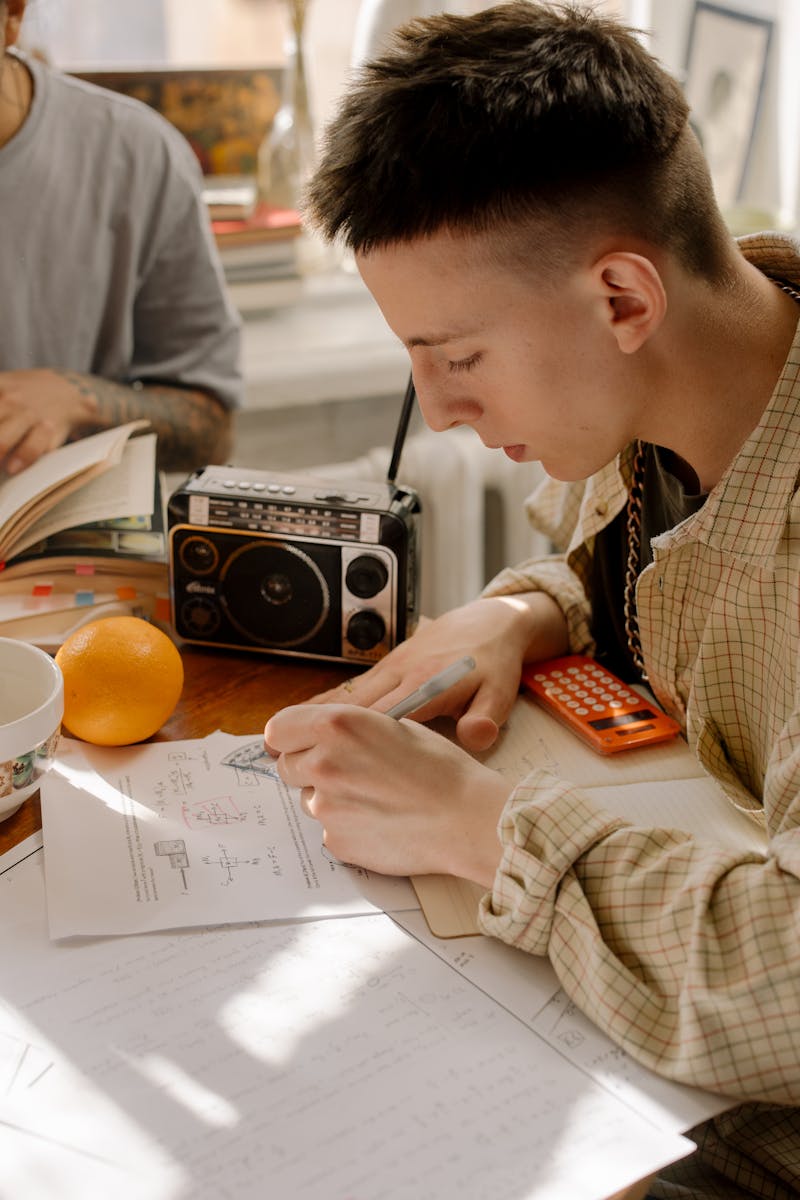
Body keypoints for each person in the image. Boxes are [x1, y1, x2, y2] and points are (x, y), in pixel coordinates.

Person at [263, 3, 800, 1197]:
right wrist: (530, 609)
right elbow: (658, 556)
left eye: (457, 360)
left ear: (620, 299)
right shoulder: (687, 383)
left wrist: (482, 829)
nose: (441, 412)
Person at [0, 0, 241, 475]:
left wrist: (78, 400)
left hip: (63, 541)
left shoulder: (136, 155)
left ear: (12, 14)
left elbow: (210, 431)